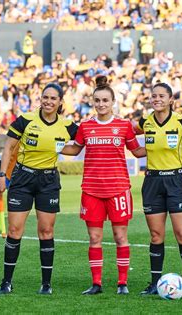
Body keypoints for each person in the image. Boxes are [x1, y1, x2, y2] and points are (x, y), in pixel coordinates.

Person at [61, 76, 146, 295]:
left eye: (105, 100)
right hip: (91, 190)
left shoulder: (124, 125)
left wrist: (163, 148)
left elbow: (137, 151)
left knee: (120, 237)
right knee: (95, 238)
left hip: (118, 189)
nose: (101, 104)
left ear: (113, 102)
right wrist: (49, 146)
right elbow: (74, 149)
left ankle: (122, 283)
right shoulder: (86, 126)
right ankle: (96, 283)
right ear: (93, 102)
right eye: (97, 100)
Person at [0, 83, 78, 295]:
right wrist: (2, 176)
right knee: (14, 230)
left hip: (48, 181)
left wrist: (58, 148)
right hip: (23, 178)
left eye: (53, 98)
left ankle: (46, 284)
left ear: (60, 102)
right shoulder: (26, 120)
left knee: (46, 231)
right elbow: (8, 147)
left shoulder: (68, 125)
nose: (48, 101)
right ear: (41, 99)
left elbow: (77, 146)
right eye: (45, 97)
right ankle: (6, 282)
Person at [136, 83, 182, 296]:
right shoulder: (145, 122)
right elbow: (127, 134)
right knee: (156, 236)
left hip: (176, 181)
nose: (157, 99)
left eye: (162, 96)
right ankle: (154, 284)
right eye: (154, 96)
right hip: (152, 182)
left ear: (171, 99)